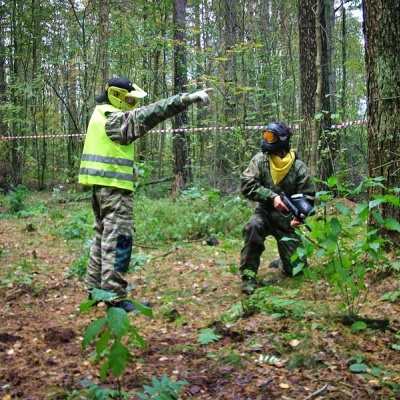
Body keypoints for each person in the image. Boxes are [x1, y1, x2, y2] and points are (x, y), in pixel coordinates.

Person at [79, 77, 212, 311]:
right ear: (117, 97)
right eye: (129, 99)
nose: (132, 104)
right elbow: (151, 113)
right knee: (119, 241)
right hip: (115, 191)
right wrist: (186, 99)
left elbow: (109, 148)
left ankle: (93, 292)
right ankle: (114, 299)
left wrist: (128, 167)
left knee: (101, 238)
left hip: (102, 187)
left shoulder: (100, 114)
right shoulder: (113, 118)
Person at [239, 121, 315, 295]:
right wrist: (272, 198)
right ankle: (248, 276)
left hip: (287, 221)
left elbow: (308, 198)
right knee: (253, 227)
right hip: (264, 213)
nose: (267, 140)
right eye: (266, 136)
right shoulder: (260, 160)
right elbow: (246, 184)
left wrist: (299, 216)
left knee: (297, 269)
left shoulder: (298, 167)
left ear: (282, 140)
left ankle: (283, 263)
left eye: (271, 137)